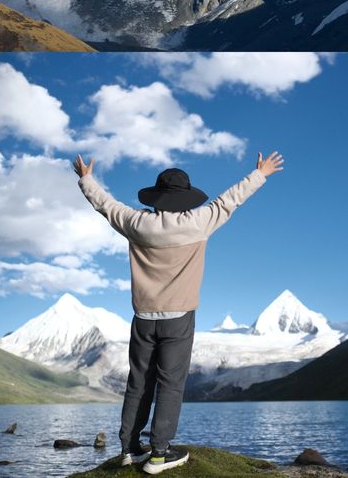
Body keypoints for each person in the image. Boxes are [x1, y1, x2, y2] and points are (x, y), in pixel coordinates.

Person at [73, 150, 284, 474]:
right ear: (185, 199)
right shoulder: (198, 223)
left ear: (157, 197)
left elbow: (106, 205)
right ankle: (159, 454)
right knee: (170, 384)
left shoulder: (136, 223)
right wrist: (261, 173)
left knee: (138, 382)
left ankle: (130, 449)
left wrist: (86, 179)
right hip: (179, 318)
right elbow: (230, 200)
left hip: (143, 318)